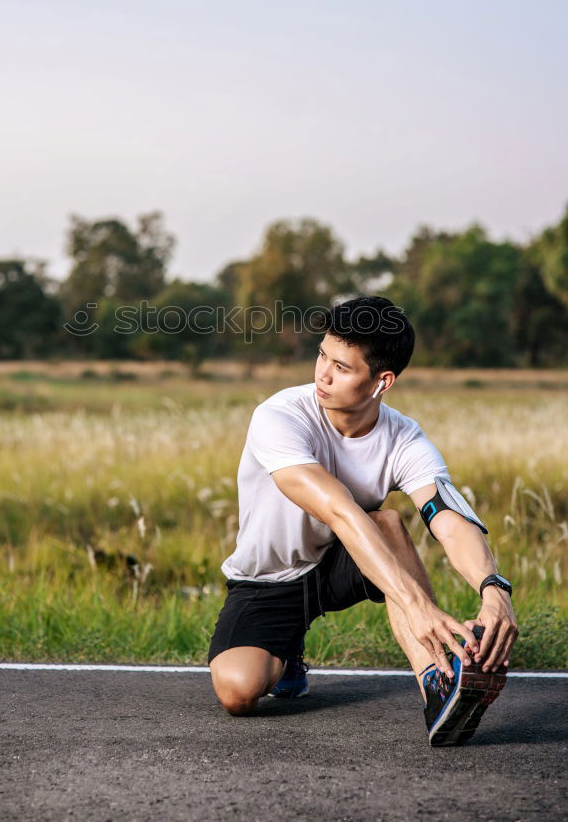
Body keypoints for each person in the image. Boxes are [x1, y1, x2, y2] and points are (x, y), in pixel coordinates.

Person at [207, 296, 518, 746]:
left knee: (388, 523)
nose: (323, 375)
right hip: (269, 577)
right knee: (239, 692)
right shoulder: (279, 417)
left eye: (343, 368)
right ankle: (287, 653)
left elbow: (447, 516)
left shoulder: (404, 438)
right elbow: (339, 510)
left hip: (344, 562)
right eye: (321, 356)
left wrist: (494, 589)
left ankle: (438, 680)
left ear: (382, 381)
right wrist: (417, 605)